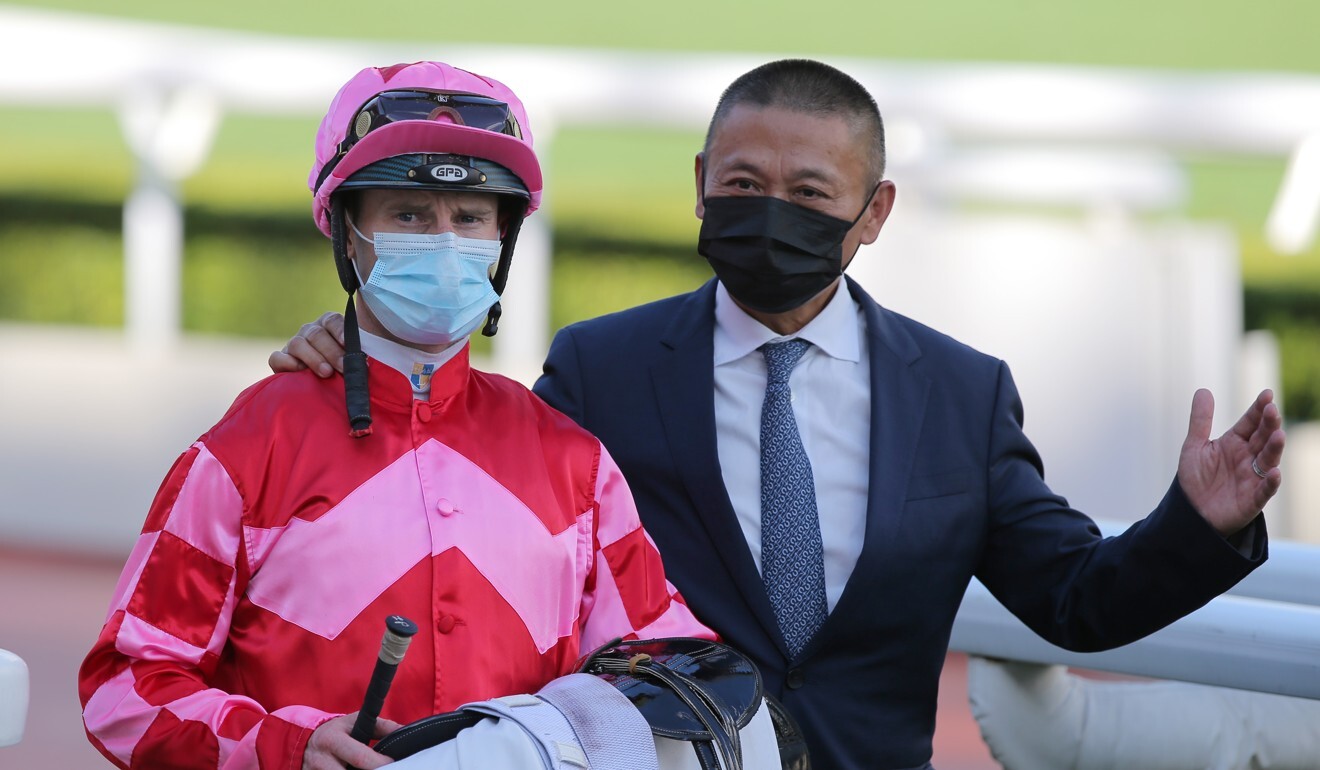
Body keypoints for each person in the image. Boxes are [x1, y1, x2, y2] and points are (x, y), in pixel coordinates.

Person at [272, 59, 1286, 770]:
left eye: (809, 192)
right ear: (702, 188)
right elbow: (465, 514)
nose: (772, 211)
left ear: (873, 211)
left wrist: (1202, 523)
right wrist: (362, 352)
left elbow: (1075, 598)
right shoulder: (603, 366)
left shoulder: (959, 393)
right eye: (745, 183)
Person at [79, 60, 711, 770]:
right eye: (409, 214)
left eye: (470, 217)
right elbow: (125, 687)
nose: (444, 239)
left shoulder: (576, 463)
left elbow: (670, 671)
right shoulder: (245, 448)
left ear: (502, 240)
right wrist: (279, 743)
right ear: (348, 234)